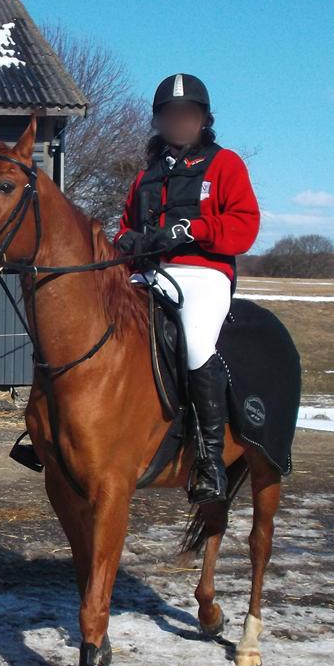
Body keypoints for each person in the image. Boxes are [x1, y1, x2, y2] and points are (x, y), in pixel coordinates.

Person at [115, 73, 260, 504]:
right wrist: (126, 241)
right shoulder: (145, 176)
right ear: (159, 121)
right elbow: (126, 224)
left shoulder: (225, 164)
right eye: (170, 115)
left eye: (187, 115)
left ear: (202, 120)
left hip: (203, 273)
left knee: (197, 343)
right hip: (150, 272)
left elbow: (244, 224)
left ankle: (211, 460)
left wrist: (191, 229)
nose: (179, 122)